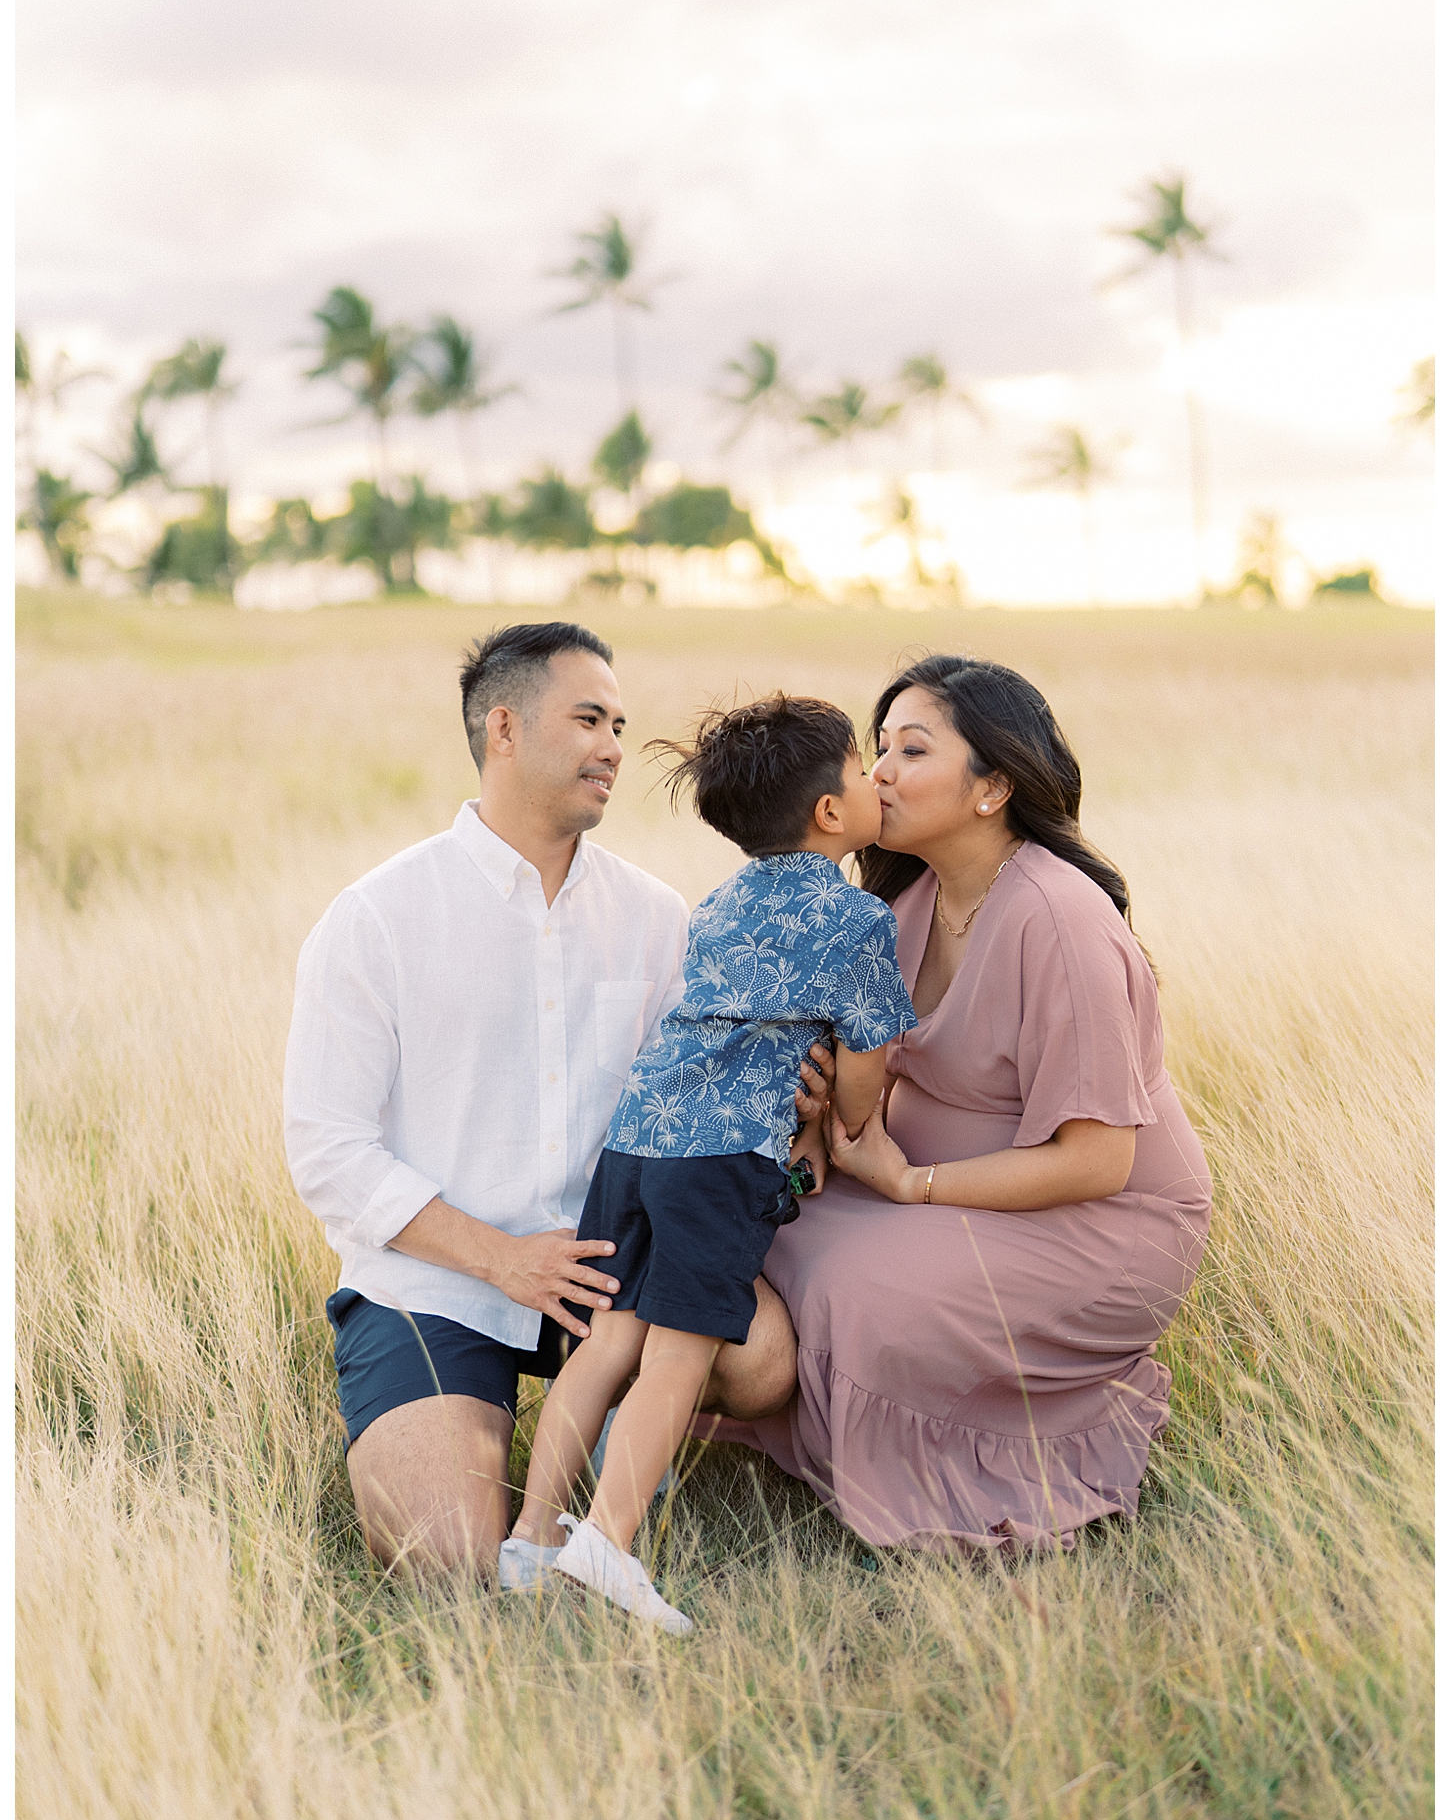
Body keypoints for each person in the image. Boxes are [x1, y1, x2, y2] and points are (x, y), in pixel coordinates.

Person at [283, 623, 828, 1578]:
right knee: (443, 1554)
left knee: (765, 1360)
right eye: (588, 719)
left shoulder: (659, 917)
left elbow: (692, 1101)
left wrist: (792, 1096)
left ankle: (623, 1417)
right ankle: (482, 1428)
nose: (614, 746)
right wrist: (502, 1261)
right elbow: (327, 1149)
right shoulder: (377, 917)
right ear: (504, 728)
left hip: (619, 1265)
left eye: (620, 722)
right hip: (442, 1277)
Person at [711, 654, 1214, 1556]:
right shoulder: (907, 902)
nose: (877, 775)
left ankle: (959, 1467)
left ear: (993, 787)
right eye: (877, 752)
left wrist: (912, 1187)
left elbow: (1101, 1160)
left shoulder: (1061, 920)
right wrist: (824, 1122)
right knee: (762, 1229)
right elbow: (875, 1078)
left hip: (1099, 1222)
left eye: (911, 750)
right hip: (938, 1186)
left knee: (848, 1290)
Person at [502, 695, 917, 1630]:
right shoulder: (855, 921)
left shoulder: (722, 901)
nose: (873, 780)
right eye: (860, 768)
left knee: (609, 1342)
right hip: (719, 1158)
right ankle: (609, 1544)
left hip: (637, 1139)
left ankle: (529, 1540)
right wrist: (855, 1129)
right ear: (828, 813)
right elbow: (865, 1061)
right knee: (678, 1357)